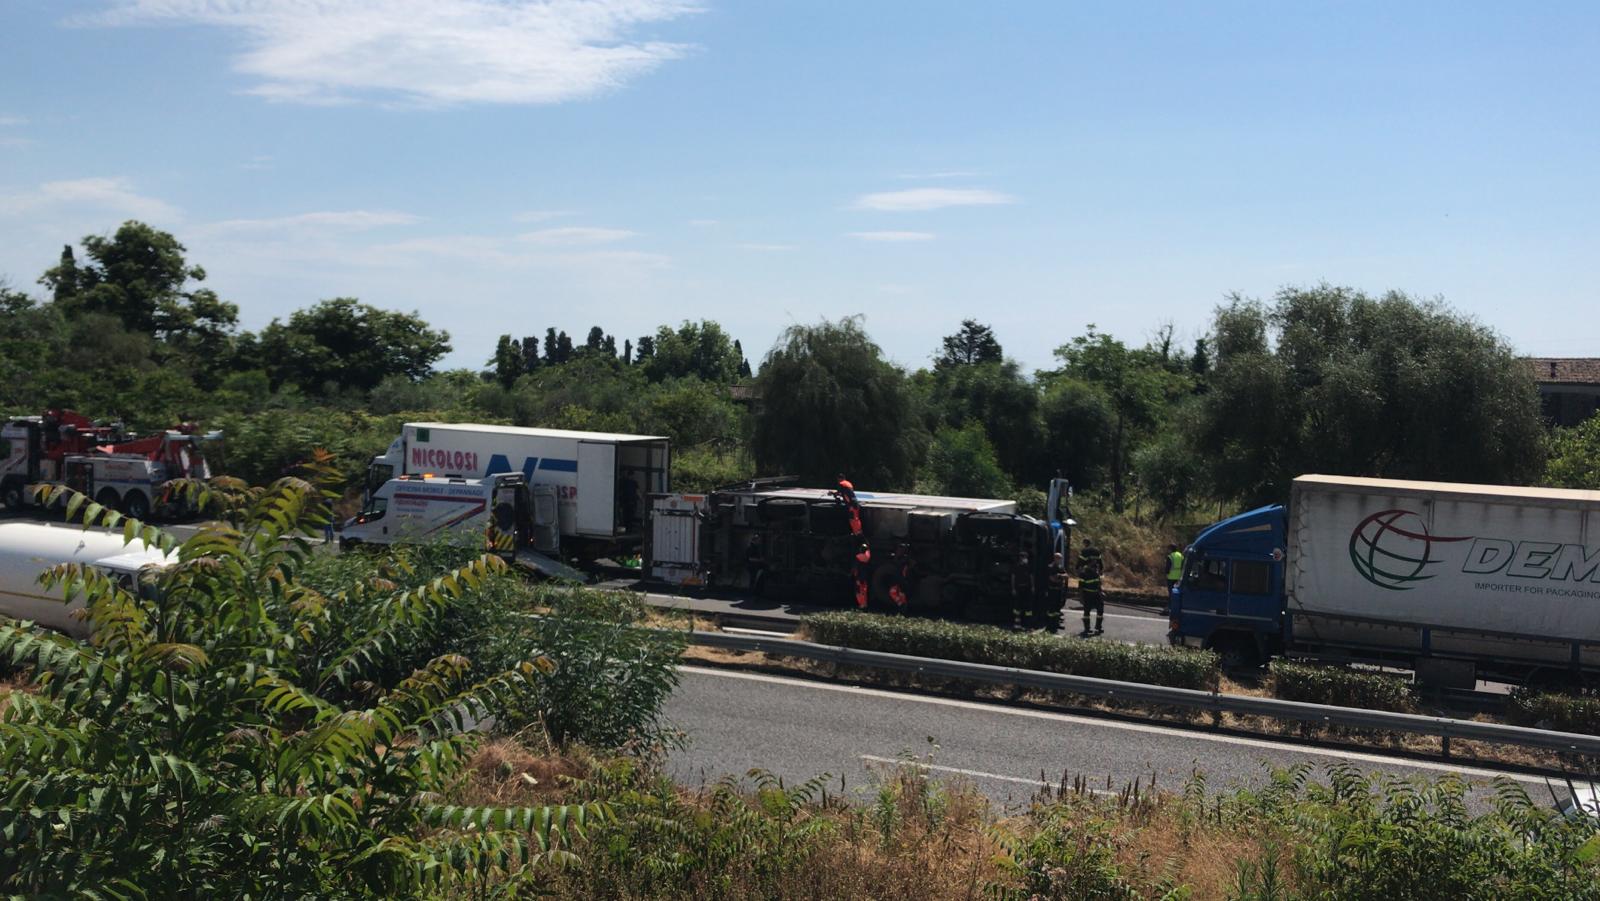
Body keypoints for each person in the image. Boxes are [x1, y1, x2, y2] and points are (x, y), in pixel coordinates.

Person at [1077, 542, 1104, 636]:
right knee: (1086, 611)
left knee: (1100, 609)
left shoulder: (1095, 572)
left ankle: (1098, 627)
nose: (1095, 564)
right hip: (1087, 594)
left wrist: (1101, 591)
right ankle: (1087, 628)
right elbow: (1080, 587)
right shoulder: (1084, 574)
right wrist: (1081, 598)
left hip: (1096, 594)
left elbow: (1098, 583)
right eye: (1093, 563)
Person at [1164, 543, 1185, 615]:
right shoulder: (1181, 556)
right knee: (1177, 594)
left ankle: (1169, 608)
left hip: (1171, 577)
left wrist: (1166, 574)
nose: (1168, 550)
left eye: (1168, 549)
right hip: (1178, 578)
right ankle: (1175, 608)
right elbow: (1183, 566)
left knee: (1171, 594)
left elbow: (1167, 567)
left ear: (1171, 549)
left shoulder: (1170, 556)